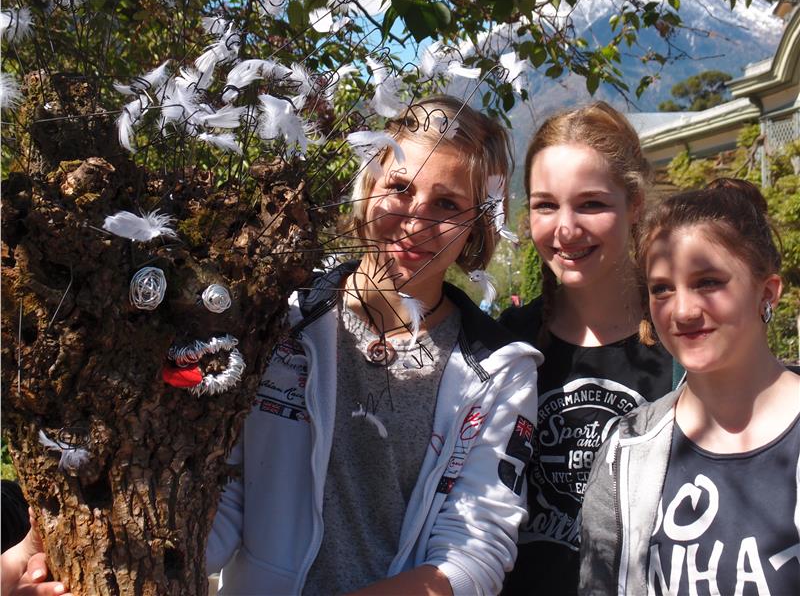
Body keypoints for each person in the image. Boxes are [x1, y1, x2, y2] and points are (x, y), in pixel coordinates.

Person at [206, 95, 543, 595]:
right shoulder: (282, 318)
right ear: (368, 188)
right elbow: (229, 488)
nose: (416, 221)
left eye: (447, 204)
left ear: (476, 226)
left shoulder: (498, 369)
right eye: (400, 188)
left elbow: (476, 549)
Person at [580, 178, 800, 595]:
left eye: (708, 282)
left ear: (767, 293)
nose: (682, 311)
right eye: (662, 289)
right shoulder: (626, 452)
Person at [500, 102, 675, 595]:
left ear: (634, 203)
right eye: (545, 205)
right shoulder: (504, 344)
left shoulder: (683, 344)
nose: (566, 229)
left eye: (591, 204)